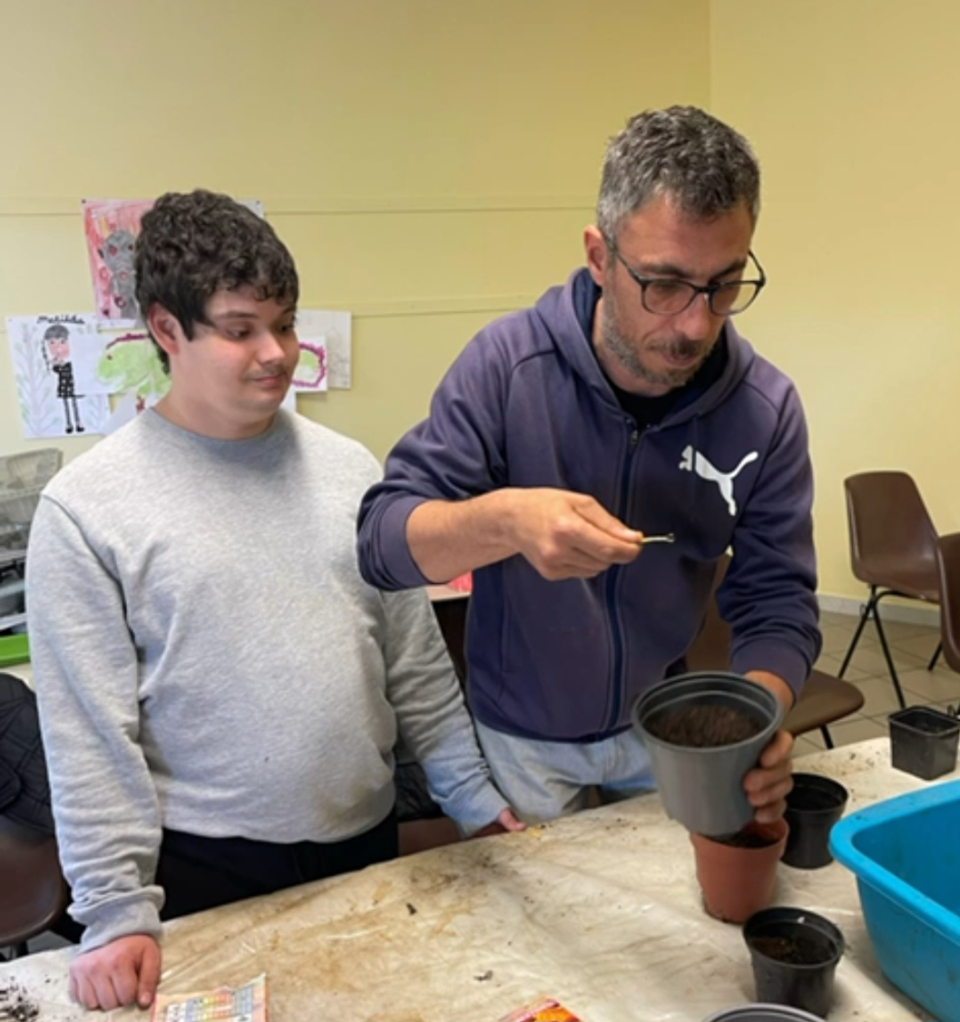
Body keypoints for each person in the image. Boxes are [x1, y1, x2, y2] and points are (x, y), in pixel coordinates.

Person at [27, 189, 520, 1013]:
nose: (276, 353)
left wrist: (475, 802)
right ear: (166, 329)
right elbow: (89, 740)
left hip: (364, 841)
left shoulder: (353, 471)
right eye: (241, 329)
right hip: (205, 868)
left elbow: (414, 664)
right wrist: (114, 915)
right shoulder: (87, 511)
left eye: (286, 325)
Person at [357, 106, 821, 825]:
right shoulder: (507, 368)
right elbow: (383, 543)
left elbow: (778, 596)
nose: (696, 324)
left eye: (724, 284)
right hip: (522, 735)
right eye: (664, 283)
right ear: (600, 257)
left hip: (666, 725)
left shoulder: (765, 408)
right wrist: (507, 520)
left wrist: (752, 714)